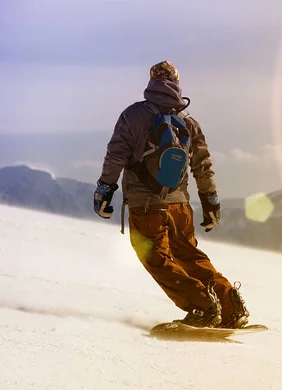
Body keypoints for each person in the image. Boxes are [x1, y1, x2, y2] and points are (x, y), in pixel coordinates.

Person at [93, 60, 249, 329]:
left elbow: (116, 155)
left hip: (146, 206)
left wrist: (105, 190)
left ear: (151, 81)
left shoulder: (133, 116)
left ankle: (202, 307)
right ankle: (230, 306)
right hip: (180, 206)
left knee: (156, 258)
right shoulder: (189, 122)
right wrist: (210, 202)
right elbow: (203, 167)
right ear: (177, 83)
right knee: (190, 256)